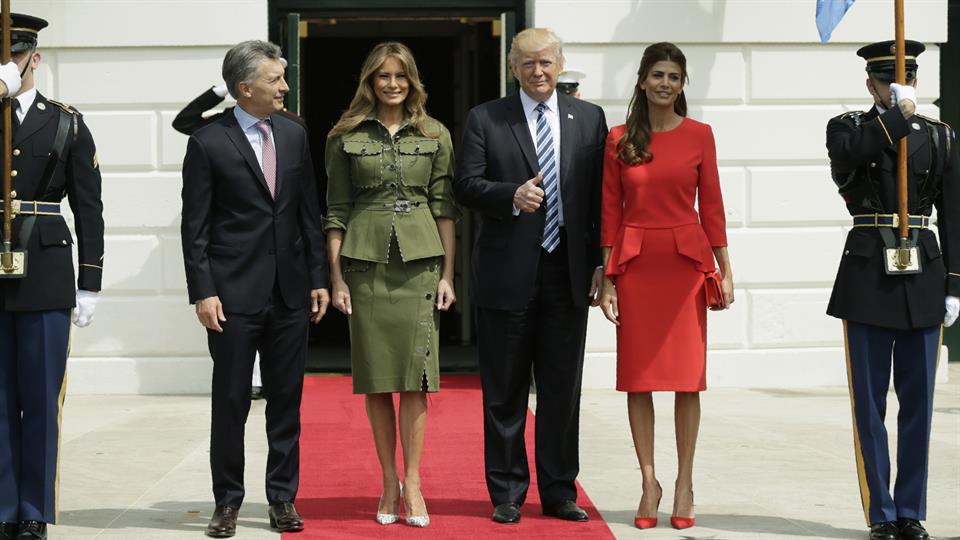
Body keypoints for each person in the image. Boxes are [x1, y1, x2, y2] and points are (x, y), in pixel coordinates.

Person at [453, 28, 607, 525]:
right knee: (504, 391)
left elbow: (603, 198)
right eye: (526, 64)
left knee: (563, 390)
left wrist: (605, 264)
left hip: (568, 273)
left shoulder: (588, 118)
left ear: (559, 65)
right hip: (506, 273)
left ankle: (560, 491)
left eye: (545, 63)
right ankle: (507, 493)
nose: (537, 72)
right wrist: (509, 195)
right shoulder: (486, 117)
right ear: (512, 68)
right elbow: (466, 185)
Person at [180, 40, 330, 538]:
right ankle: (227, 502)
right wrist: (203, 291)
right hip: (232, 296)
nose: (284, 87)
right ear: (245, 89)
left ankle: (282, 498)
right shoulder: (207, 142)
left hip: (290, 292)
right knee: (231, 402)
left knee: (287, 400)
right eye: (275, 80)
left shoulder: (293, 135)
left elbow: (308, 213)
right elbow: (195, 227)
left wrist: (317, 279)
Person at [825, 40, 959, 540]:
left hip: (923, 273)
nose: (898, 86)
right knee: (870, 404)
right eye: (886, 80)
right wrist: (895, 118)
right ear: (870, 84)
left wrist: (955, 284)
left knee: (919, 404)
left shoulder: (941, 137)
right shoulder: (848, 127)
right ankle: (880, 511)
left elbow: (954, 213)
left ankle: (910, 509)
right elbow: (850, 157)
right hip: (867, 277)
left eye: (906, 78)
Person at [597, 42, 732, 531]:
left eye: (674, 76)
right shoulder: (618, 139)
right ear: (642, 80)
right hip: (634, 268)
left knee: (686, 379)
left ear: (682, 84)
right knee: (638, 378)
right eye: (658, 74)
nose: (665, 83)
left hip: (685, 268)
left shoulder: (701, 135)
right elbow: (610, 212)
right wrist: (607, 278)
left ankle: (684, 483)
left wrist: (725, 269)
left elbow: (712, 206)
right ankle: (649, 481)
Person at [324, 41, 458, 528]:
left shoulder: (436, 133)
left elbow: (445, 207)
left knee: (416, 380)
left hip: (421, 264)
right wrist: (336, 278)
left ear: (413, 79)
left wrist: (448, 274)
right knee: (378, 380)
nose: (393, 84)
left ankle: (415, 482)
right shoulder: (344, 135)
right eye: (383, 76)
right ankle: (387, 480)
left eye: (401, 75)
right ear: (370, 82)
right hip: (364, 266)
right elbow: (335, 211)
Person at [0, 13, 104, 540]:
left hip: (43, 269)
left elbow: (89, 207)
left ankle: (34, 510)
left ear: (34, 58)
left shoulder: (65, 121)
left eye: (15, 56)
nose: (8, 65)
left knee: (40, 396)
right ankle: (2, 508)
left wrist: (89, 282)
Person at [174, 82, 281, 401]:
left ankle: (262, 380)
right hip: (233, 248)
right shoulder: (222, 125)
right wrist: (221, 88)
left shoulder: (286, 124)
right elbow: (183, 121)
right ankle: (248, 381)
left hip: (274, 246)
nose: (281, 88)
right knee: (236, 322)